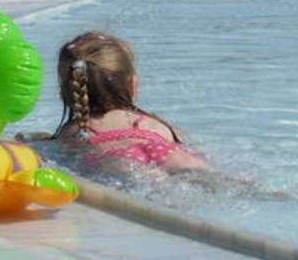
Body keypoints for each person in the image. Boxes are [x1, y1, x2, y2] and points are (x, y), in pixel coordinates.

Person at [54, 31, 208, 174]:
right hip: (167, 153)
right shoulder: (156, 125)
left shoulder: (74, 132)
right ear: (133, 85)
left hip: (117, 162)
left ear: (67, 91)